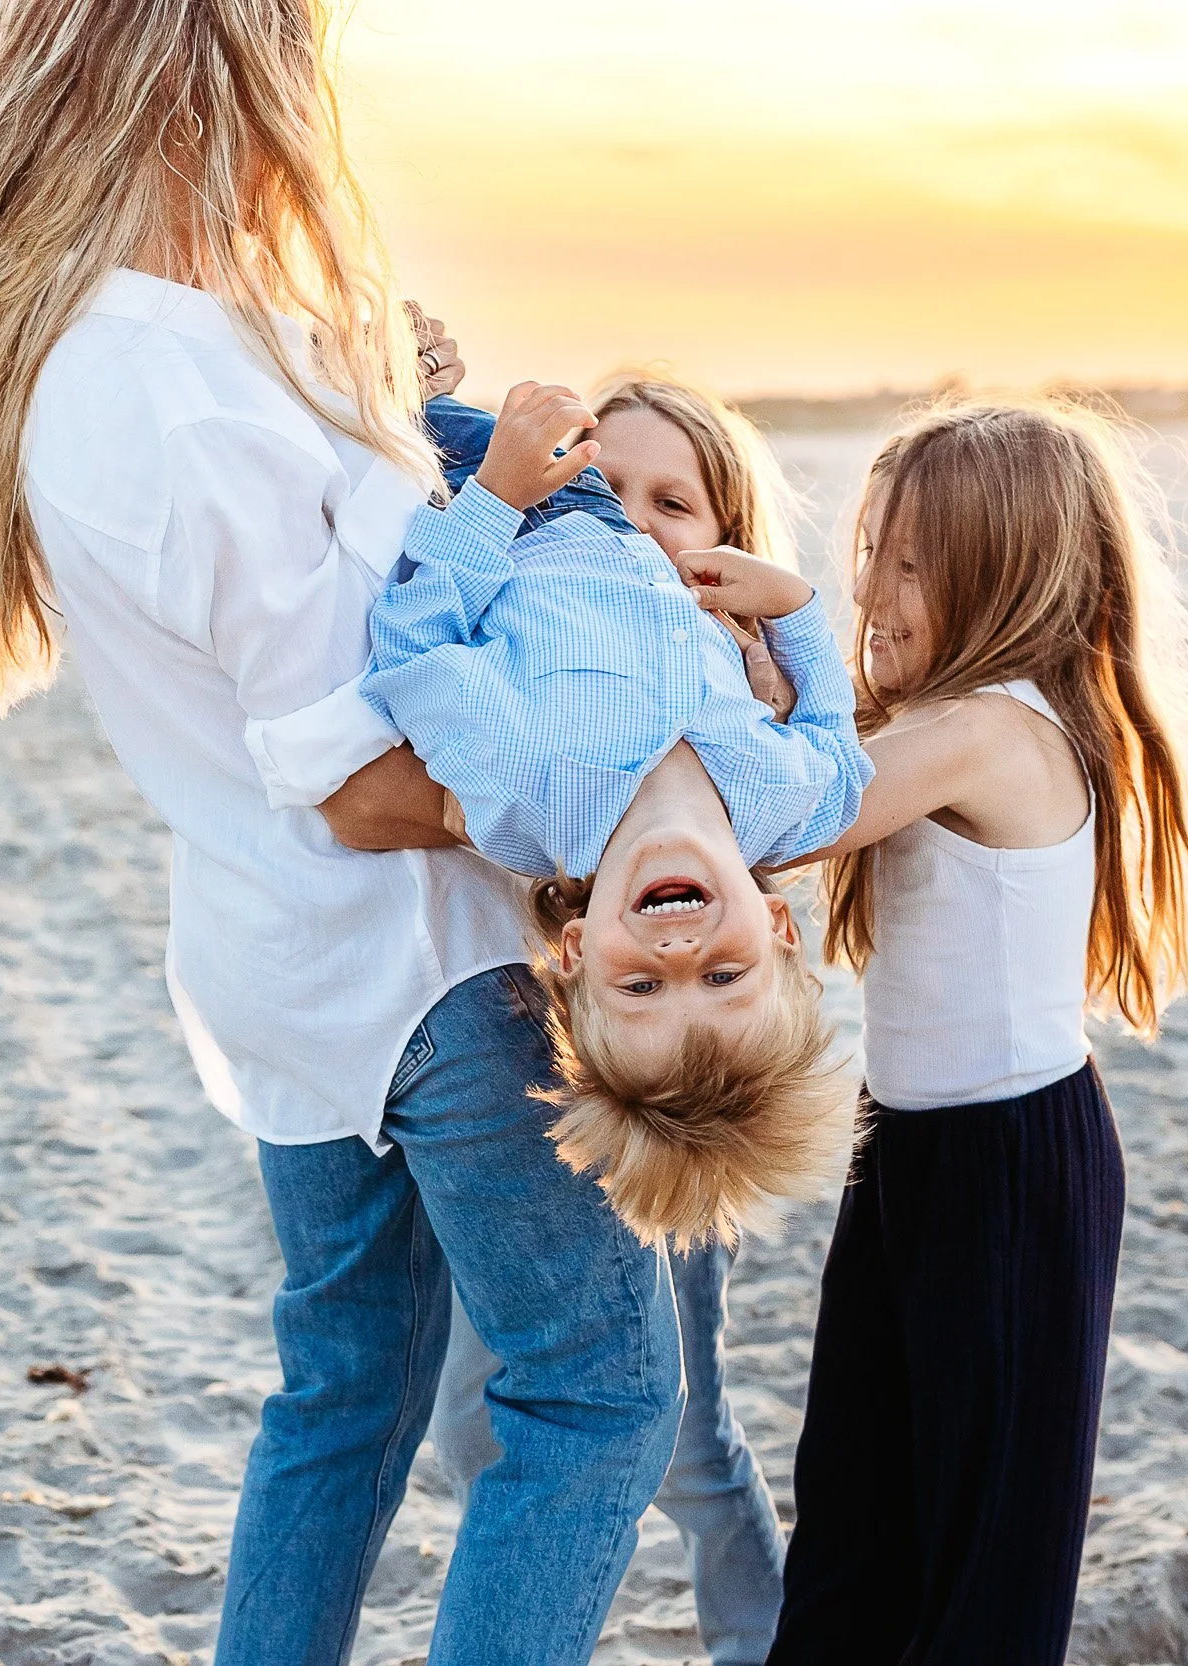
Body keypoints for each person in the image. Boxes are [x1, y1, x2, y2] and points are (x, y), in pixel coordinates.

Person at [0, 5, 686, 1663]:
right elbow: (365, 785)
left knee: (346, 1392)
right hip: (416, 969)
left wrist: (388, 398)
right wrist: (653, 819)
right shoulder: (164, 387)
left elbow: (345, 630)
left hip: (270, 967)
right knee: (598, 1393)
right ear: (207, 85)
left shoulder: (148, 350)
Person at [755, 398, 1188, 1665]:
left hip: (1013, 1168)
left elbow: (794, 810)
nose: (873, 587)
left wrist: (788, 626)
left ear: (1002, 573)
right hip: (905, 1153)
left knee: (986, 1560)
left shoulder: (990, 730)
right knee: (859, 1511)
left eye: (914, 560)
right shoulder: (945, 720)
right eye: (875, 550)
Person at [415, 368, 807, 1666]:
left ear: (729, 533)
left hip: (669, 1100)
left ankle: (761, 1635)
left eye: (674, 501)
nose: (635, 522)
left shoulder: (745, 713)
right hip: (529, 1076)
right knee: (486, 1403)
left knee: (683, 1428)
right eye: (612, 488)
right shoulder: (555, 639)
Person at [342, 376, 870, 1245]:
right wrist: (795, 610)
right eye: (723, 977)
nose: (678, 951)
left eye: (641, 986)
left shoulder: (525, 791)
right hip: (627, 526)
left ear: (580, 952)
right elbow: (835, 735)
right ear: (778, 929)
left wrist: (499, 496)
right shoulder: (798, 806)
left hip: (508, 511)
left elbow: (415, 651)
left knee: (370, 364)